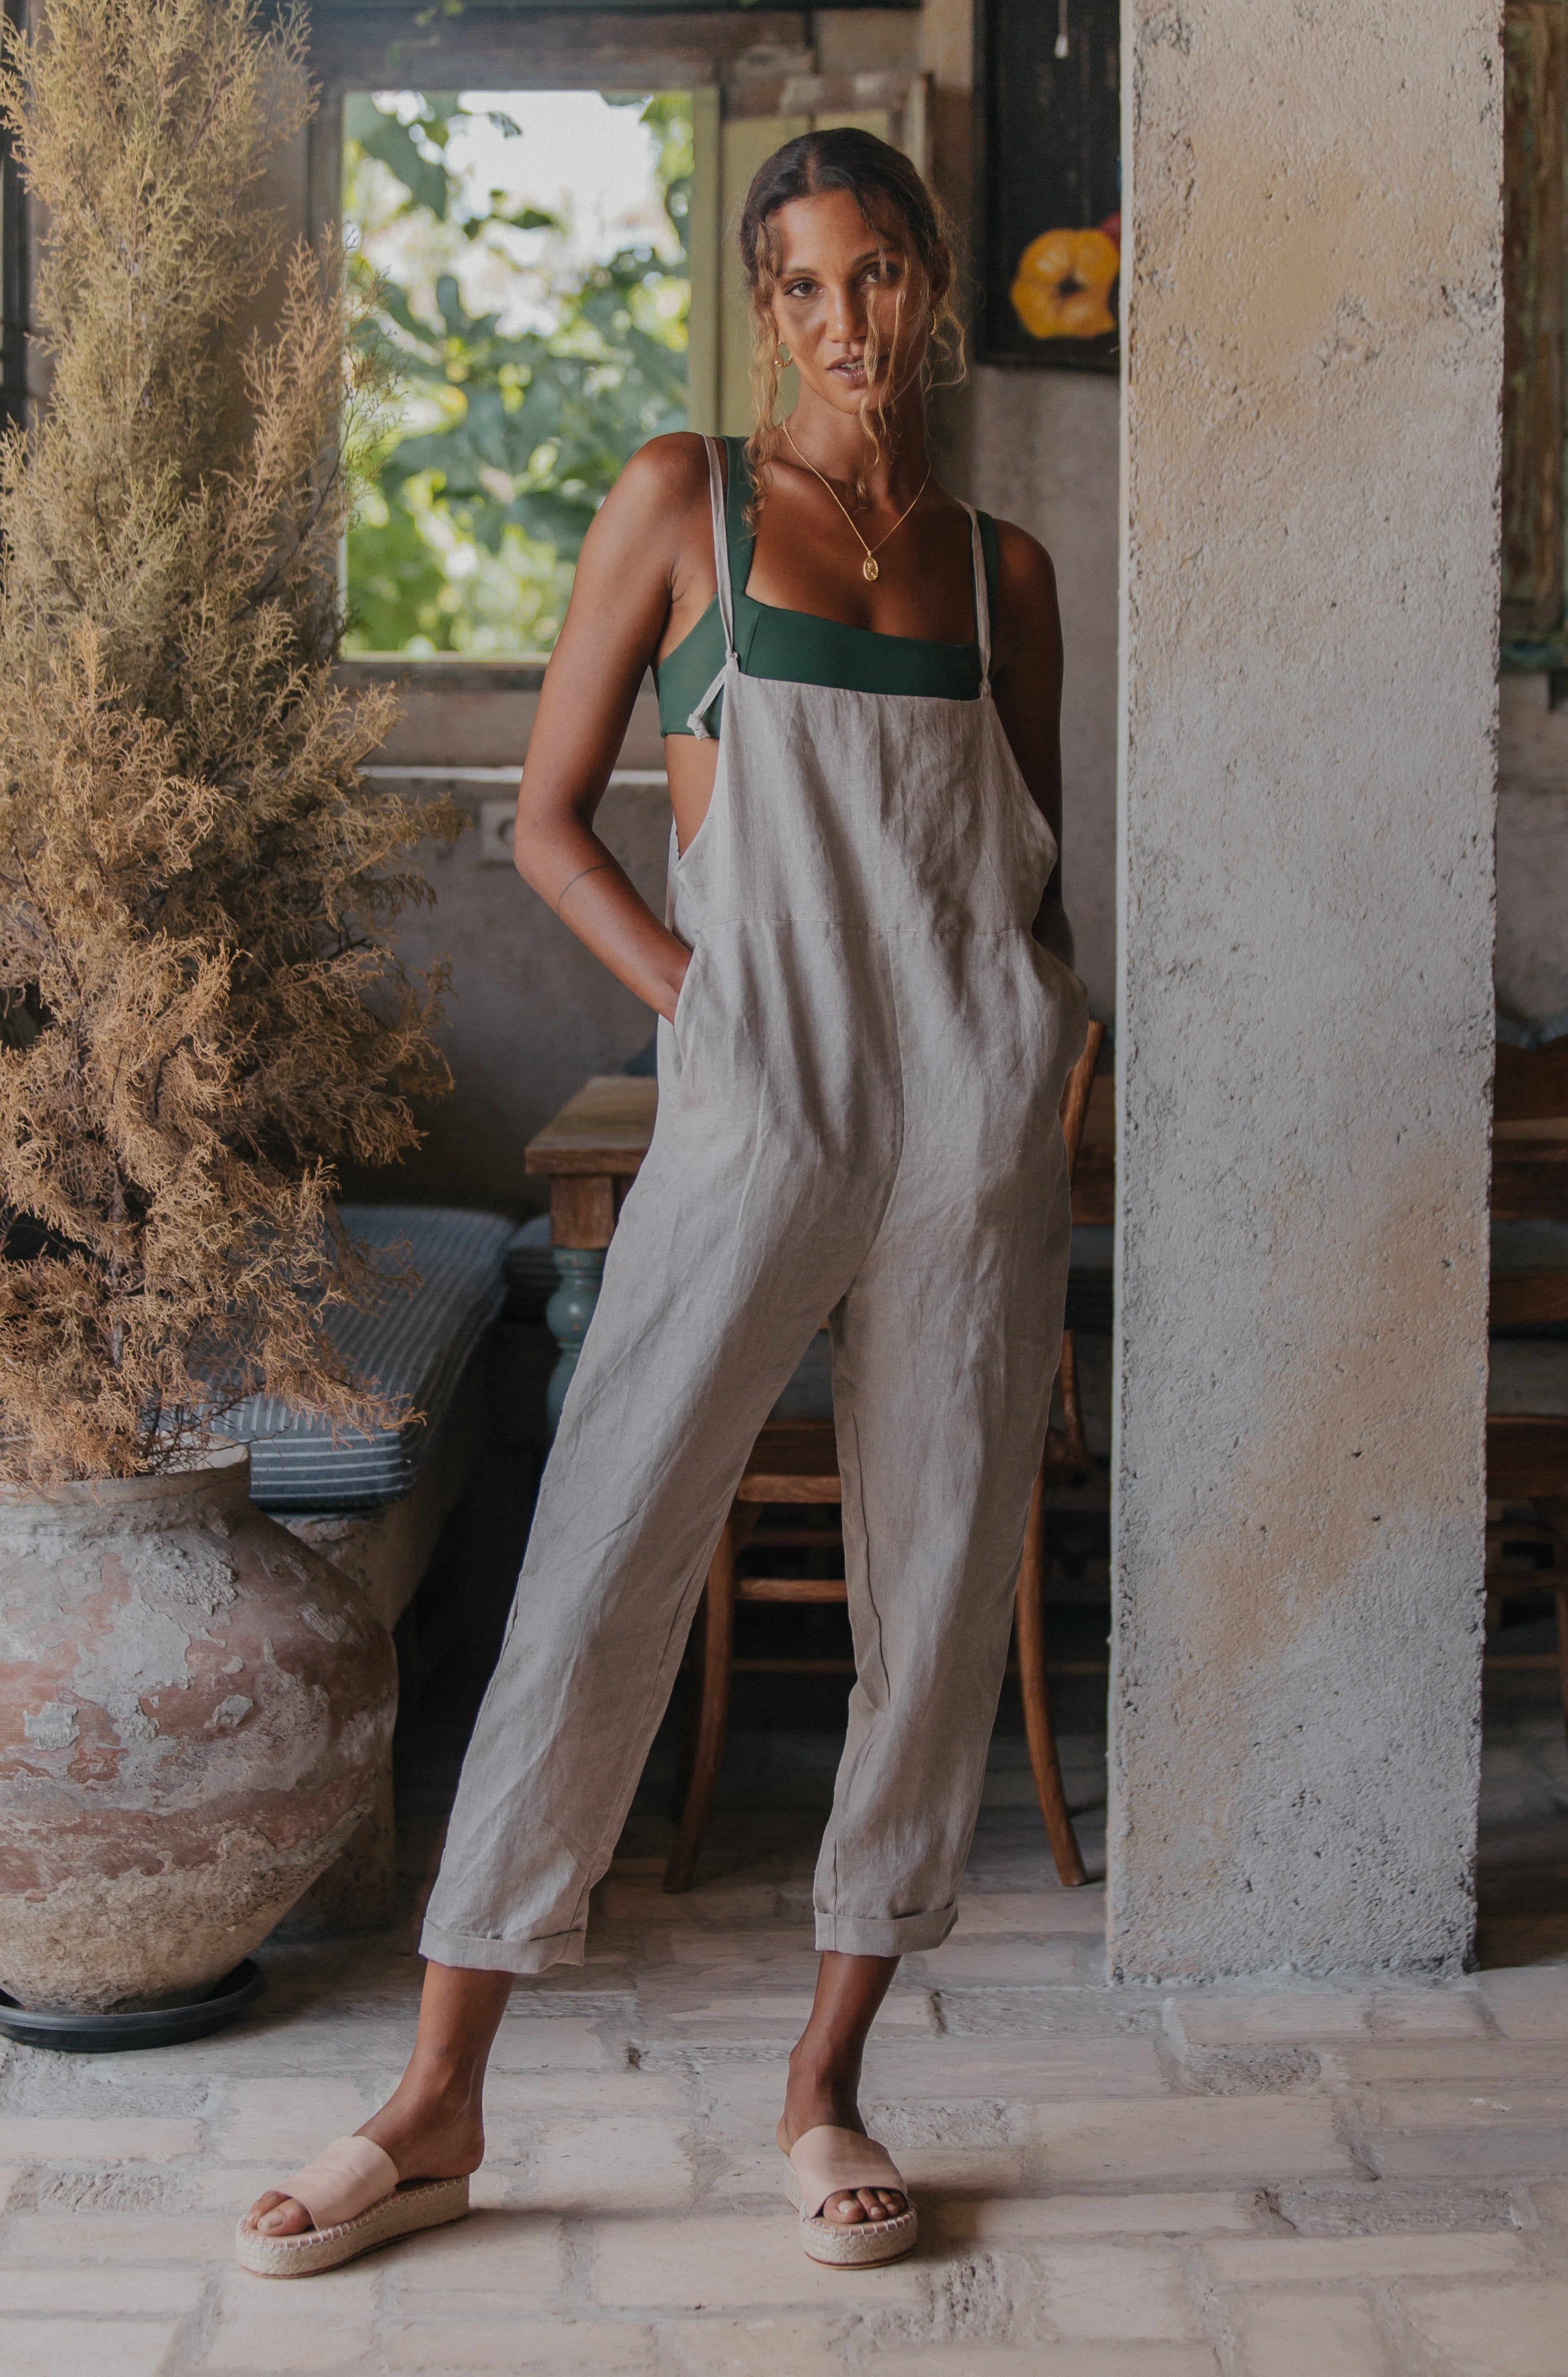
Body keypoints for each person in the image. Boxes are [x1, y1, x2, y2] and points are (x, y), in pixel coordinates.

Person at [238, 125, 1087, 2281]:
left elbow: (1028, 874)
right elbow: (549, 823)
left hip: (971, 1134)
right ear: (761, 309)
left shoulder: (1003, 574)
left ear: (927, 278)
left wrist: (1035, 1063)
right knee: (599, 1564)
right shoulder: (682, 499)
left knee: (933, 1596)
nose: (846, 321)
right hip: (755, 1115)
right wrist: (703, 1003)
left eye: (878, 273)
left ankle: (825, 2084)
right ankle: (438, 2099)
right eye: (802, 285)